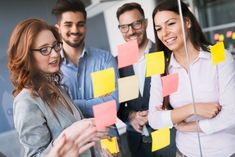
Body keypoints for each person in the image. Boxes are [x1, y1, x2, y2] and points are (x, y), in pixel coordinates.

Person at [7, 18, 109, 157]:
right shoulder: (26, 101)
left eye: (56, 46)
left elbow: (79, 142)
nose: (55, 54)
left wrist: (98, 148)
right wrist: (71, 134)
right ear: (27, 56)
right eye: (44, 50)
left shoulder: (58, 88)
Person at [149, 0, 235, 157]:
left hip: (225, 151)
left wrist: (190, 126)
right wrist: (192, 108)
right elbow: (154, 119)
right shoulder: (160, 67)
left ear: (187, 22)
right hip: (185, 152)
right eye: (159, 29)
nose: (165, 33)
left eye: (171, 24)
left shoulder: (218, 54)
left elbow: (232, 114)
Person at [116, 2, 176, 157]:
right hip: (136, 143)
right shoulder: (118, 63)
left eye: (136, 24)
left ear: (145, 23)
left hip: (167, 139)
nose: (131, 31)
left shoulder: (167, 54)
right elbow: (116, 103)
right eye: (124, 27)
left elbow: (180, 95)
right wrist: (131, 116)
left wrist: (157, 113)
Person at [51, 0, 119, 118]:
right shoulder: (50, 67)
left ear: (85, 27)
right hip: (73, 137)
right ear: (58, 29)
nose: (75, 30)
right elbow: (53, 110)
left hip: (107, 136)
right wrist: (98, 104)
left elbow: (113, 106)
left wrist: (68, 105)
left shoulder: (104, 60)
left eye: (80, 24)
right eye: (68, 24)